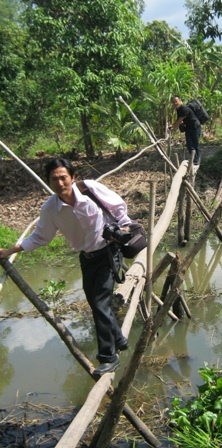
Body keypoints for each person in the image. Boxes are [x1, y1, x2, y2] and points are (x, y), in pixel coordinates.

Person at [0, 158, 131, 375]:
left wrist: (124, 228)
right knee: (94, 301)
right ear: (49, 182)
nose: (60, 183)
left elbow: (118, 208)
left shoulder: (91, 190)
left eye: (64, 177)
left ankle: (109, 357)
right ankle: (118, 338)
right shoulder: (51, 209)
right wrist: (10, 251)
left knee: (100, 303)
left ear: (73, 177)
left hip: (108, 252)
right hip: (86, 257)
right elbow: (41, 236)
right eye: (54, 179)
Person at [169, 95, 201, 165]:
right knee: (189, 145)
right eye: (173, 102)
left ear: (180, 101)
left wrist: (174, 128)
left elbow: (180, 120)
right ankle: (194, 159)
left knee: (195, 144)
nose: (175, 103)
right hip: (189, 128)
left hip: (195, 127)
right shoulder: (178, 110)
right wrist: (173, 125)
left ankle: (197, 159)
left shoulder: (184, 109)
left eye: (176, 101)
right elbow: (178, 119)